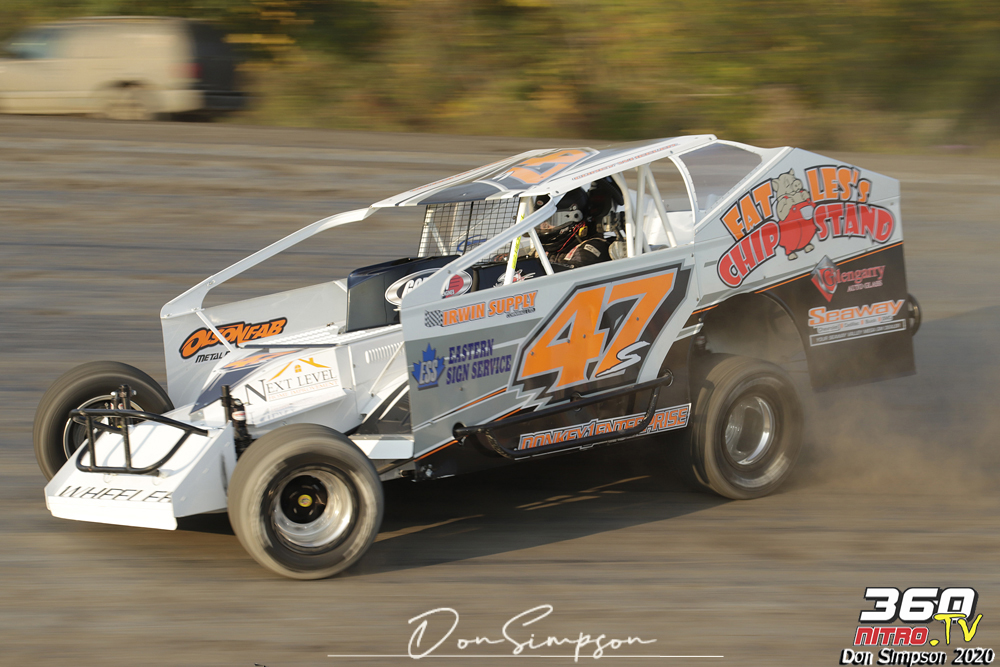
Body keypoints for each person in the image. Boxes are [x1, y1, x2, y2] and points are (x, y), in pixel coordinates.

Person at [534, 178, 624, 268]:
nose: (543, 226)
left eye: (551, 220)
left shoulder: (588, 252)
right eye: (540, 220)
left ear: (576, 217)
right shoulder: (545, 250)